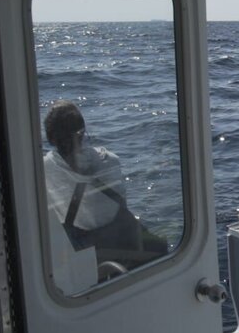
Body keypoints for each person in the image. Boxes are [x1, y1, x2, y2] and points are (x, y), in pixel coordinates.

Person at [43, 100, 165, 274]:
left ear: (52, 138)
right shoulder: (111, 160)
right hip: (124, 243)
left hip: (85, 251)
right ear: (82, 133)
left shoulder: (44, 168)